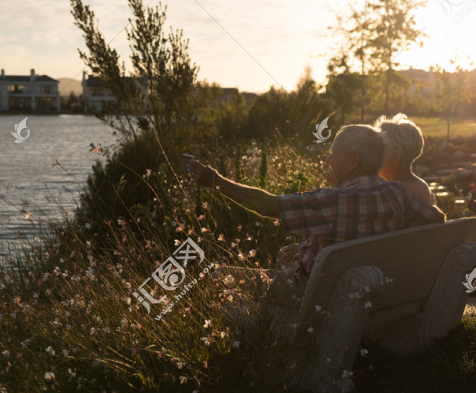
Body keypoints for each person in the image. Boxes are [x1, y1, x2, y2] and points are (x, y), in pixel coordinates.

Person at [186, 124, 446, 305]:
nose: (328, 160)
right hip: (371, 291)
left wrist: (215, 181)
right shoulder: (397, 194)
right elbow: (438, 221)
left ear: (353, 160)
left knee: (215, 275)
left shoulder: (332, 201)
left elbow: (265, 205)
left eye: (334, 153)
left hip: (316, 295)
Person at [374, 113, 436, 206]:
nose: (374, 155)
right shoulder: (423, 188)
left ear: (395, 159)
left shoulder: (387, 192)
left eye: (380, 151)